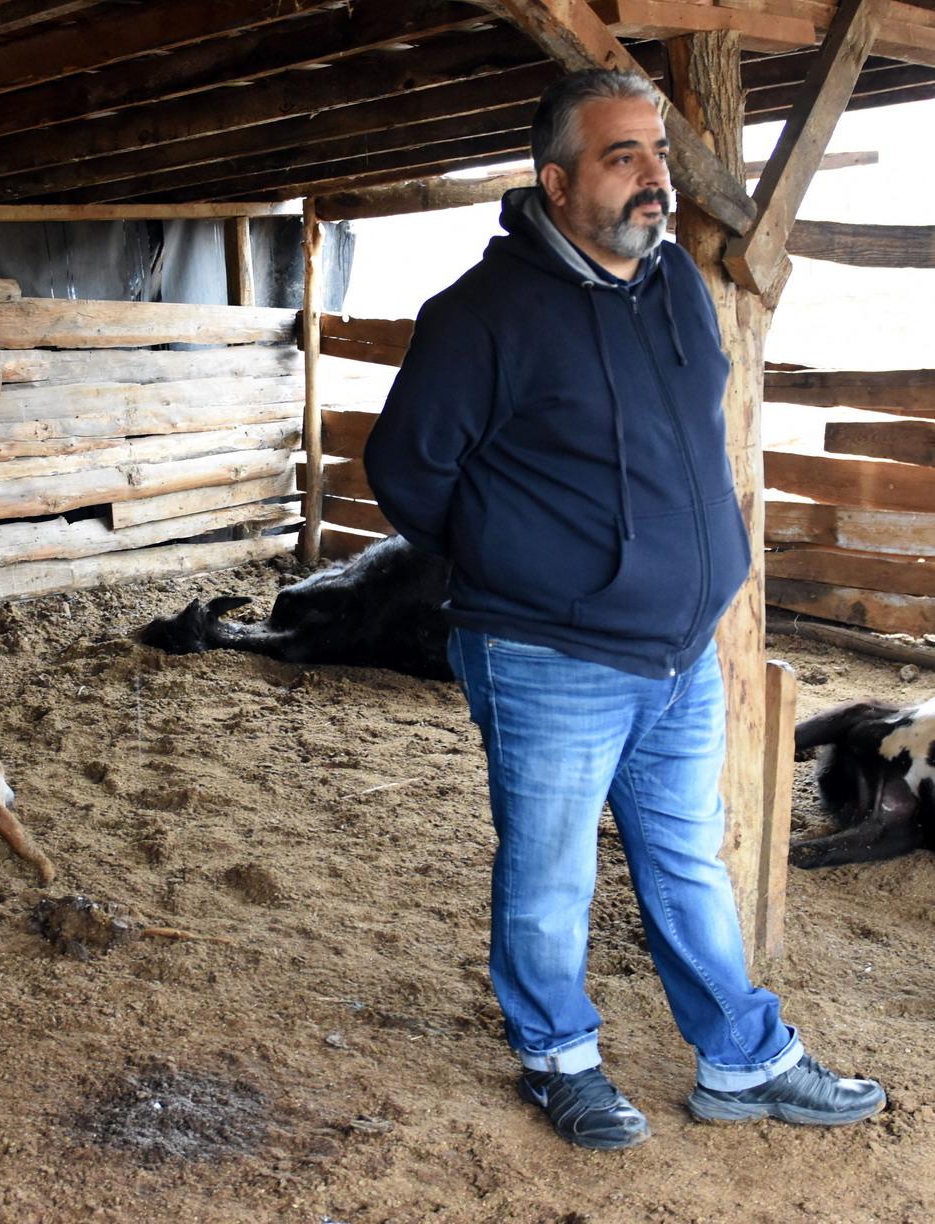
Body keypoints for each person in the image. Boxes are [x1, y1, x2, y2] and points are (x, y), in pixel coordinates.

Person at [363, 69, 885, 1151]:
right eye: (621, 158)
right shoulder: (480, 316)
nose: (655, 179)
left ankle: (740, 1061)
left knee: (683, 859)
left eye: (656, 154)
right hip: (547, 652)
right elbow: (407, 473)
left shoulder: (674, 287)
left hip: (678, 654)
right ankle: (558, 1059)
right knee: (549, 869)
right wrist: (523, 565)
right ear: (555, 182)